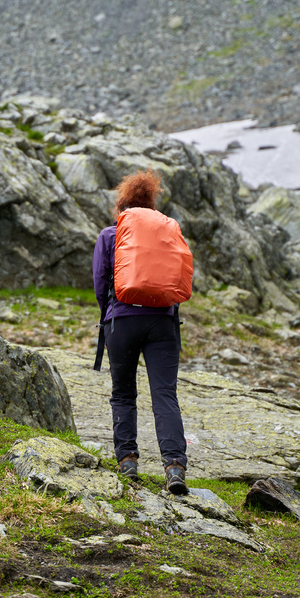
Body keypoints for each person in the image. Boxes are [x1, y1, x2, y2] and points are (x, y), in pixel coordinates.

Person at [92, 170, 190, 495]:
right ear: (151, 205)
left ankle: (128, 462)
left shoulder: (111, 235)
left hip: (121, 321)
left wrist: (110, 313)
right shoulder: (167, 234)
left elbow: (99, 283)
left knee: (123, 394)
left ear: (123, 205)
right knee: (164, 395)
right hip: (163, 323)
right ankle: (175, 467)